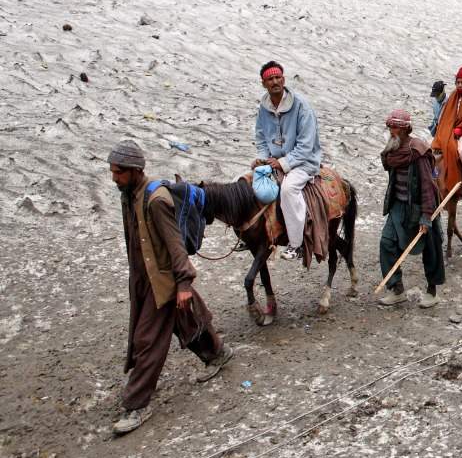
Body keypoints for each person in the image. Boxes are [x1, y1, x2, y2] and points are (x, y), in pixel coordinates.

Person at [107, 141, 231, 435]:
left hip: (162, 280)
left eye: (118, 173)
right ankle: (217, 353)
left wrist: (184, 282)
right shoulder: (129, 195)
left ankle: (137, 405)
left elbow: (175, 245)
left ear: (135, 171)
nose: (114, 178)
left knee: (148, 340)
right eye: (112, 172)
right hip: (146, 278)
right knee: (186, 317)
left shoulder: (156, 201)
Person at [253, 61, 323, 261]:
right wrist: (263, 159)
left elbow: (306, 145)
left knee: (288, 189)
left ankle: (296, 244)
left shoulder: (301, 106)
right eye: (270, 79)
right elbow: (260, 137)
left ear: (283, 79)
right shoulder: (263, 107)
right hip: (274, 160)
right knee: (247, 182)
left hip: (303, 162)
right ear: (263, 83)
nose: (275, 82)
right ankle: (252, 234)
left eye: (278, 78)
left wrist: (283, 163)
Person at [378, 109, 445, 308]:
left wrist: (426, 216)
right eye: (390, 127)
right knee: (386, 243)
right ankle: (396, 288)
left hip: (421, 207)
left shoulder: (418, 151)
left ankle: (432, 292)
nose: (391, 131)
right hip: (398, 206)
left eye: (395, 127)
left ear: (406, 129)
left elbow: (427, 186)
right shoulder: (393, 150)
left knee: (431, 249)